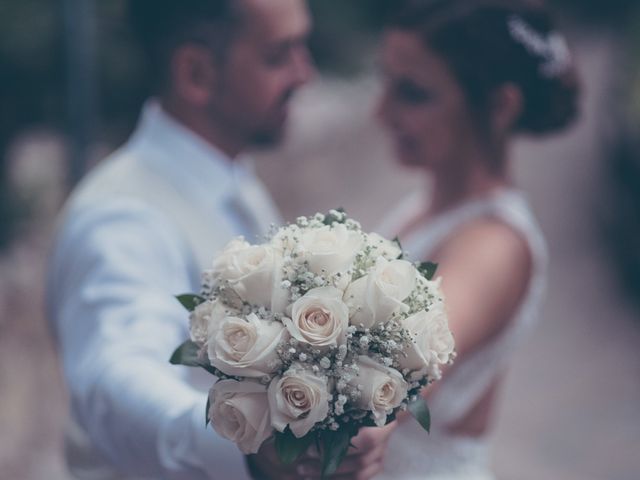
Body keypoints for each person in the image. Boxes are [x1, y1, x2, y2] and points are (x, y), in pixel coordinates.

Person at [48, 1, 391, 479]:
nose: (305, 74)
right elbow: (115, 379)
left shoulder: (233, 177)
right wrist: (247, 445)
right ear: (196, 73)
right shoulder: (122, 219)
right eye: (278, 55)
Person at [375, 0, 579, 478]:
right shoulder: (425, 204)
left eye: (413, 93)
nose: (381, 112)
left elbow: (389, 376)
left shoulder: (494, 246)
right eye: (385, 81)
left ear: (500, 105)